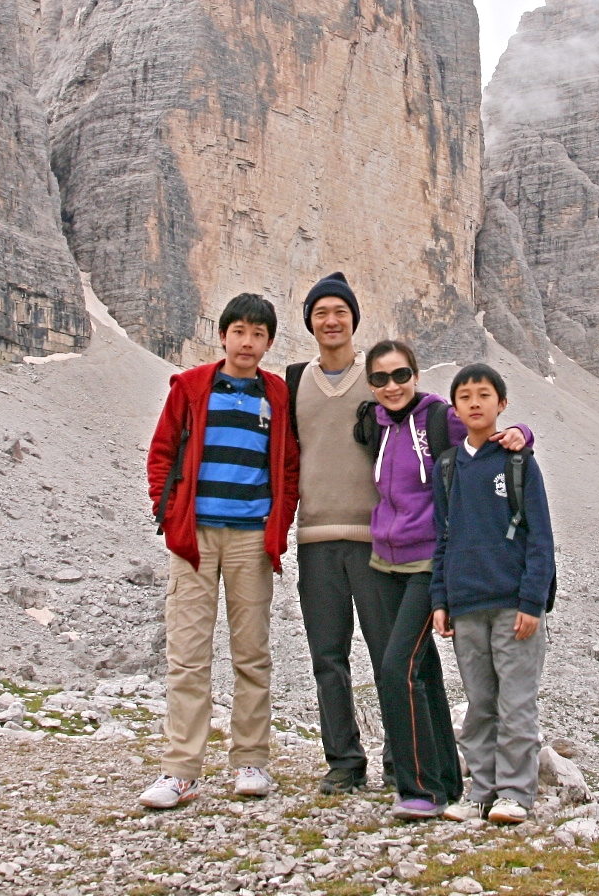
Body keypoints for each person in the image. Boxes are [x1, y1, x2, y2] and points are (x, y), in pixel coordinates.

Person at [139, 293, 301, 811]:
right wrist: (170, 517)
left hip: (252, 539)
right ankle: (180, 769)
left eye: (258, 334)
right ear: (223, 335)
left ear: (269, 342)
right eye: (239, 332)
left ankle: (250, 760)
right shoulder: (190, 387)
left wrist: (279, 524)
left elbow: (290, 468)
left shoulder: (277, 395)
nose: (247, 342)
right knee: (187, 656)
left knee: (252, 653)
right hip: (196, 539)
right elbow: (162, 452)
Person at [361, 341, 530, 821]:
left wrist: (523, 432)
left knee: (397, 668)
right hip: (385, 563)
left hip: (429, 565)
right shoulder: (376, 423)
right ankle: (447, 781)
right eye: (380, 379)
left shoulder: (441, 417)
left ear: (415, 375)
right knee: (423, 672)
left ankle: (422, 791)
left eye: (400, 376)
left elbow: (491, 436)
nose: (391, 387)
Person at [284, 272, 398, 794]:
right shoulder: (291, 381)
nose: (331, 321)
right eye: (321, 313)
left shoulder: (379, 380)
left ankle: (401, 758)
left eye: (340, 312)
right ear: (309, 322)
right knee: (327, 655)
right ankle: (345, 761)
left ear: (354, 319)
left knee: (388, 653)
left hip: (376, 540)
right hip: (315, 539)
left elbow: (434, 425)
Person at [430, 362, 556, 826]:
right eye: (465, 396)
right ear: (455, 408)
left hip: (512, 606)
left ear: (502, 404)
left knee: (516, 701)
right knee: (480, 704)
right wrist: (440, 600)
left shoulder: (519, 462)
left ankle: (516, 795)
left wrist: (531, 603)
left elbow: (540, 538)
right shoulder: (448, 467)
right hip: (466, 606)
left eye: (484, 395)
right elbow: (442, 537)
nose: (475, 403)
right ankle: (481, 793)